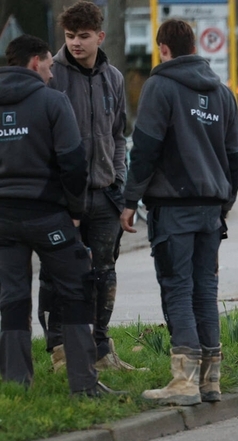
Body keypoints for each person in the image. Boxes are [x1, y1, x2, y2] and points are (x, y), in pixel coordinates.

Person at [120, 19, 238, 406]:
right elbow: (235, 157)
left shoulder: (161, 86)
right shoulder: (222, 94)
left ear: (164, 48)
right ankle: (211, 380)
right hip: (210, 209)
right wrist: (225, 201)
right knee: (205, 291)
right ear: (193, 47)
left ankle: (184, 382)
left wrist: (128, 200)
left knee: (177, 288)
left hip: (173, 207)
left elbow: (145, 149)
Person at [0, 35, 110, 396]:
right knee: (77, 290)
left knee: (12, 299)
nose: (51, 73)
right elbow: (73, 163)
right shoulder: (52, 101)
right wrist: (75, 213)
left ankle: (17, 386)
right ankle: (84, 384)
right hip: (49, 217)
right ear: (35, 62)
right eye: (48, 65)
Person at [40, 1, 137, 373]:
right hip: (65, 199)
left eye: (83, 36)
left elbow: (118, 136)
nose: (76, 43)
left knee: (104, 272)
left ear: (100, 35)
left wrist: (120, 182)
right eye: (69, 37)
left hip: (106, 194)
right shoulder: (53, 76)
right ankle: (61, 351)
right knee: (60, 273)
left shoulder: (112, 77)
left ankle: (100, 347)